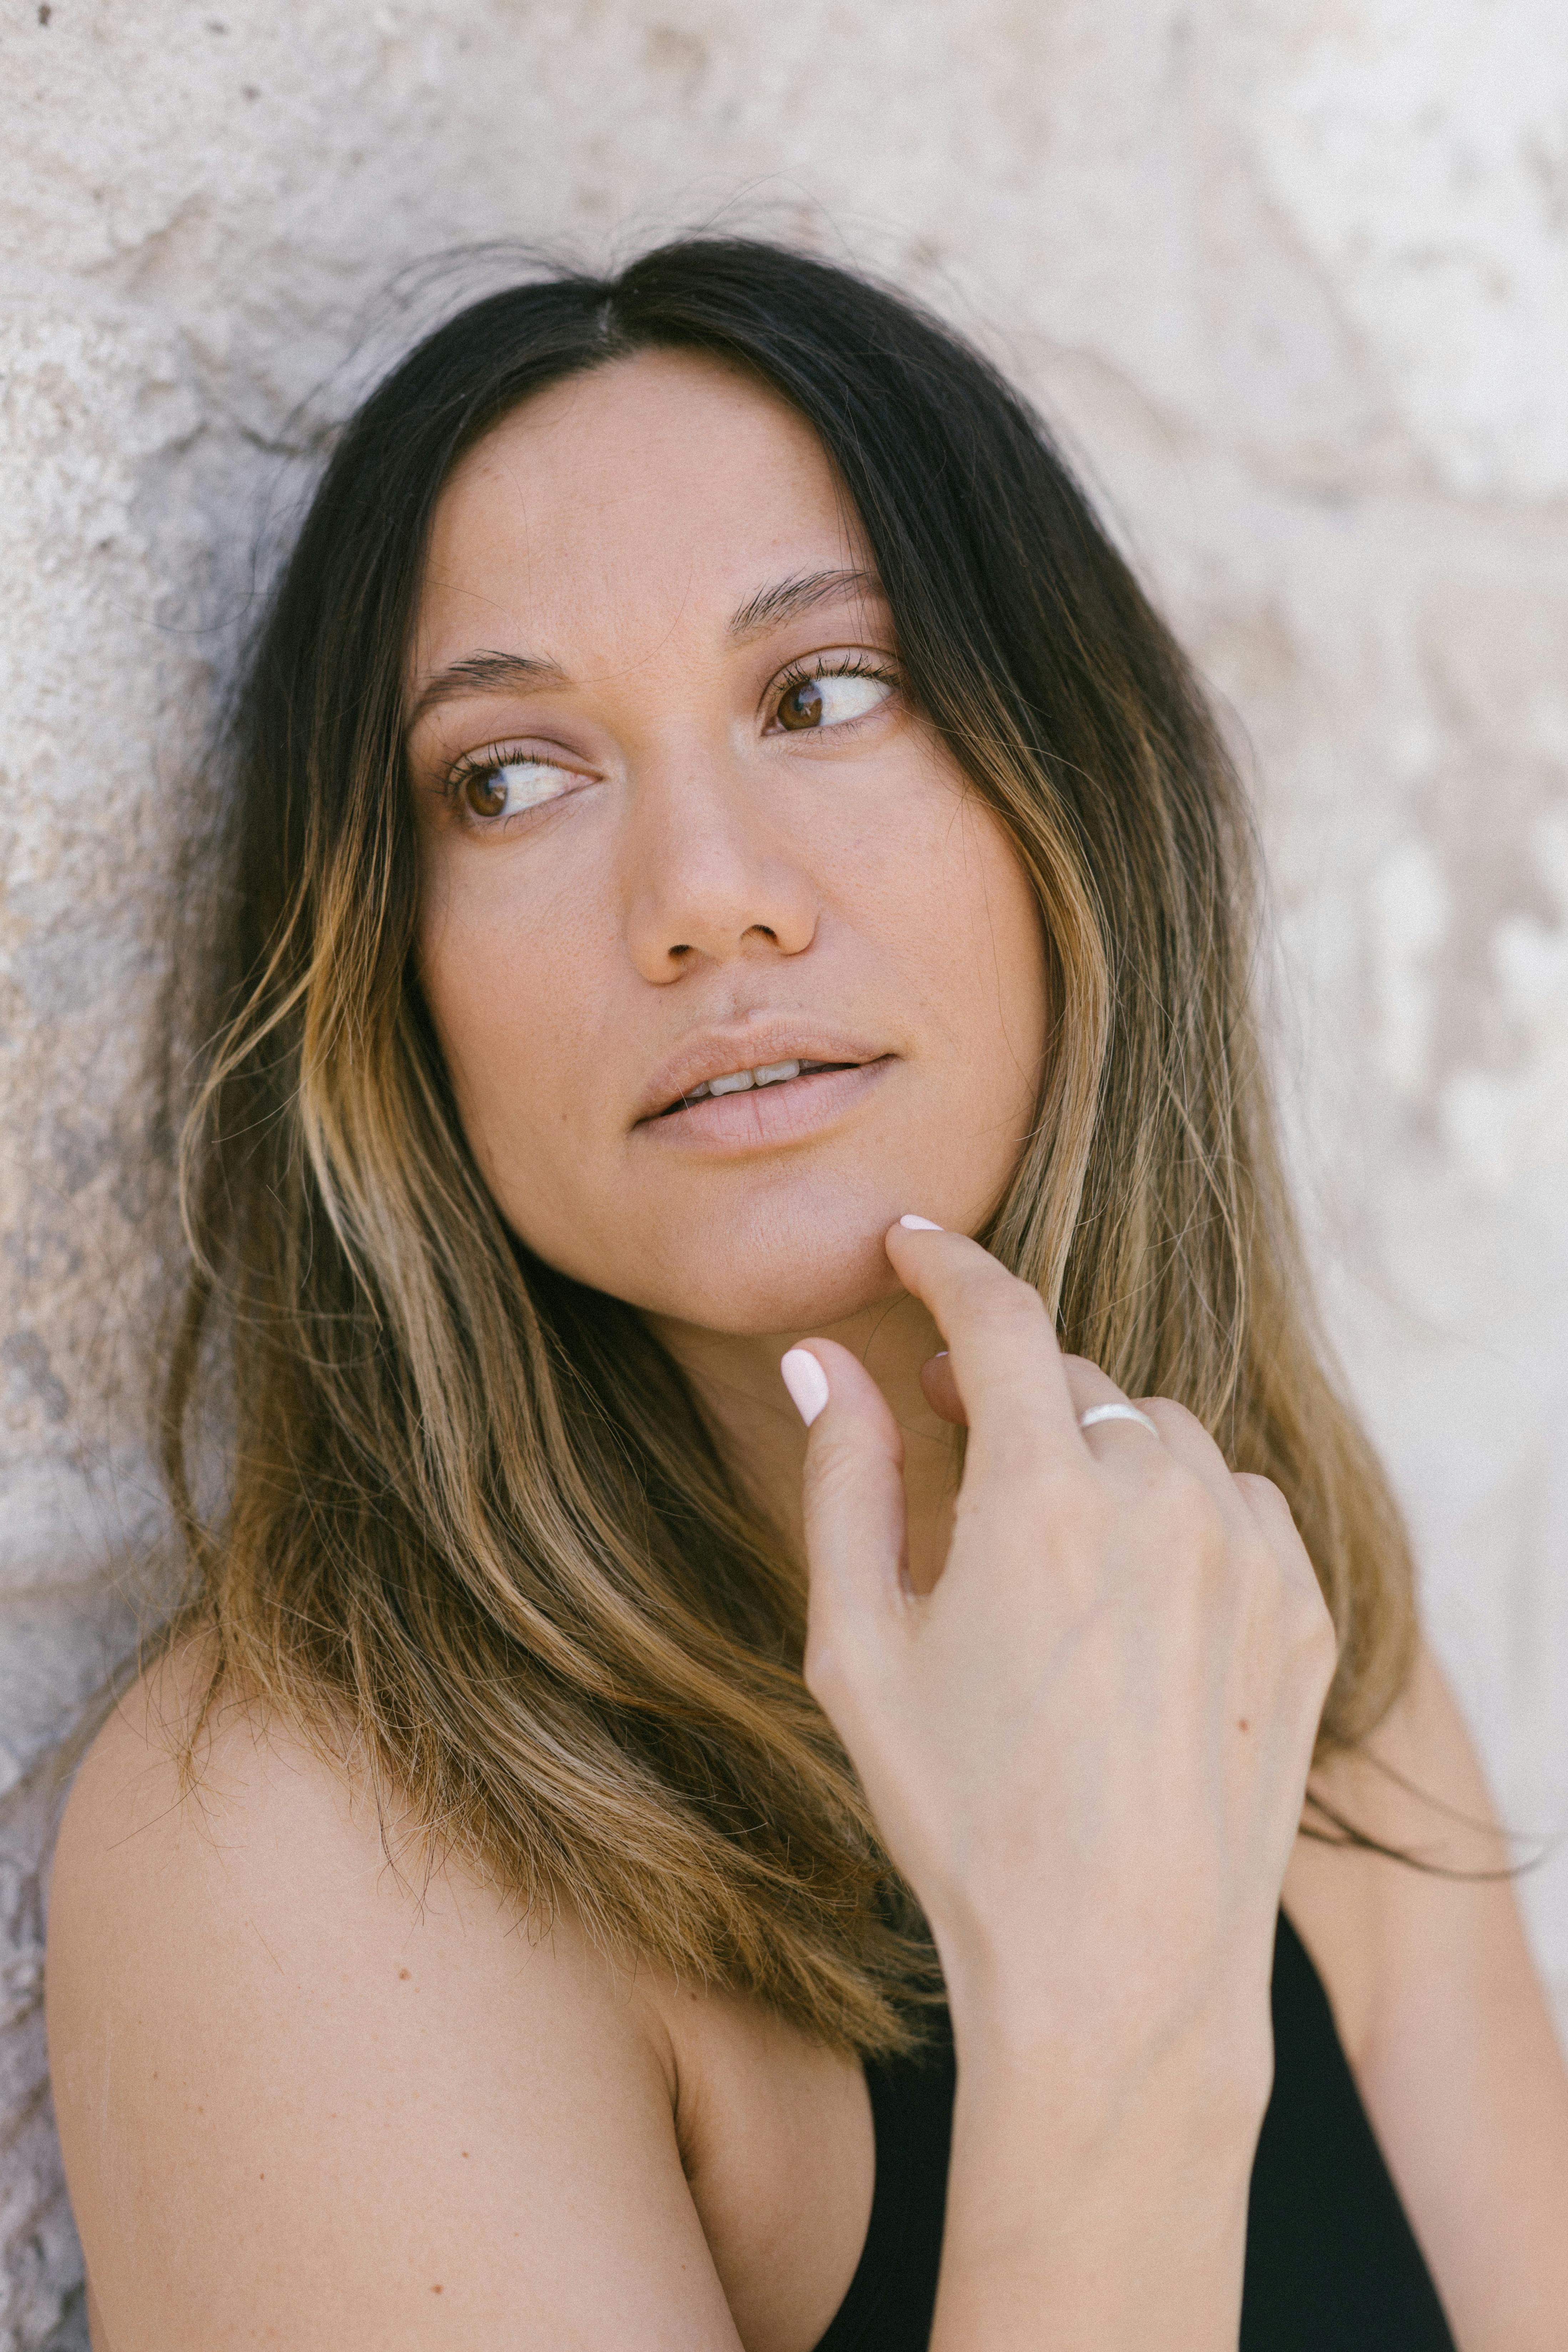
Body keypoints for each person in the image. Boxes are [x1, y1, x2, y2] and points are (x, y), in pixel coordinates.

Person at [44, 238, 1568, 2351]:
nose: (703, 899)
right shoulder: (302, 1868)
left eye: (825, 693)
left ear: (1076, 805)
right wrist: (1114, 2046)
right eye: (508, 777)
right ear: (394, 983)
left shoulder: (1233, 1587)